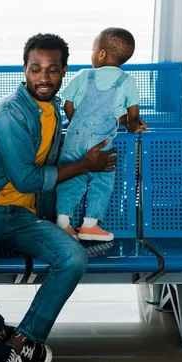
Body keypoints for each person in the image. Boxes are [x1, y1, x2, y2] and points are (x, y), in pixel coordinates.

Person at [0, 33, 117, 362]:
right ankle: (5, 335)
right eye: (36, 69)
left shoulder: (53, 109)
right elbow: (24, 179)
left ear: (64, 71)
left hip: (24, 217)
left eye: (52, 70)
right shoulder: (10, 113)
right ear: (24, 70)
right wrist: (86, 165)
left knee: (74, 258)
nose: (44, 77)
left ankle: (24, 340)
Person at [56, 27, 147, 242]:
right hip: (102, 142)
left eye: (93, 49)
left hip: (73, 138)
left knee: (71, 177)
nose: (92, 53)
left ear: (102, 53)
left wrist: (77, 123)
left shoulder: (83, 76)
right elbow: (133, 117)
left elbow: (67, 104)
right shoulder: (127, 81)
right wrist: (134, 125)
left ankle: (62, 222)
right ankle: (89, 225)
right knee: (102, 180)